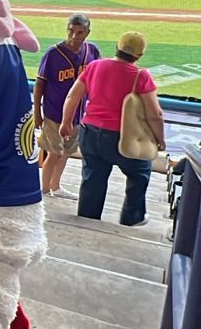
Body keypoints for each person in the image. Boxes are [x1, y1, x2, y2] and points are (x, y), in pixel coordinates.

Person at [59, 31, 165, 227]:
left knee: (92, 179)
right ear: (139, 55)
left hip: (90, 133)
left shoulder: (94, 66)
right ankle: (131, 218)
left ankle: (87, 220)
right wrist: (160, 139)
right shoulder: (141, 76)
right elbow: (155, 114)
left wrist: (66, 123)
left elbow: (72, 97)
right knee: (139, 173)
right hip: (123, 138)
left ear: (117, 46)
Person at [33, 12, 99, 199]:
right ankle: (44, 189)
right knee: (54, 152)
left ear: (87, 32)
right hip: (54, 113)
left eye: (79, 32)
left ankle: (56, 186)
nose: (74, 37)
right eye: (71, 31)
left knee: (67, 152)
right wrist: (37, 110)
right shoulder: (53, 53)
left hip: (78, 114)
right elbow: (40, 84)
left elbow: (97, 79)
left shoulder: (91, 52)